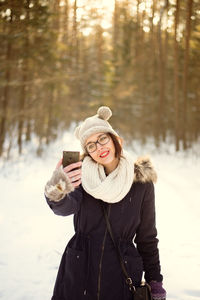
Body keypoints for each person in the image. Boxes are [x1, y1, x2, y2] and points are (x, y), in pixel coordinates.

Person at [44, 106, 166, 300]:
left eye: (102, 138)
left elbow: (147, 238)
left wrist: (155, 281)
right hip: (79, 270)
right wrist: (59, 185)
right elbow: (63, 208)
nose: (99, 147)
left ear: (116, 139)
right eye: (91, 145)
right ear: (88, 152)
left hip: (121, 276)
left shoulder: (141, 183)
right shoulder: (81, 176)